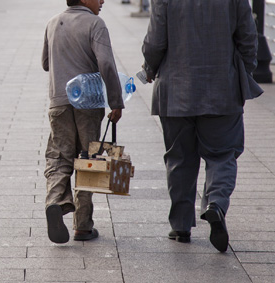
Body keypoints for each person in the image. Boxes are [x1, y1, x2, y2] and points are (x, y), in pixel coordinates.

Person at [141, 0, 262, 252]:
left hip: (175, 91)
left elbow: (155, 42)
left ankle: (181, 226)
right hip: (222, 89)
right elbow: (248, 36)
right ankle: (216, 204)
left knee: (179, 158)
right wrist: (244, 72)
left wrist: (149, 68)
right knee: (222, 154)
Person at [42, 0, 124, 244]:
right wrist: (116, 101)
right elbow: (106, 64)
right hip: (88, 105)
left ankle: (55, 202)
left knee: (59, 157)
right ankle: (83, 227)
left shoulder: (52, 23)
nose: (102, 2)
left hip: (59, 103)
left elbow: (46, 64)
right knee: (88, 160)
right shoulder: (96, 24)